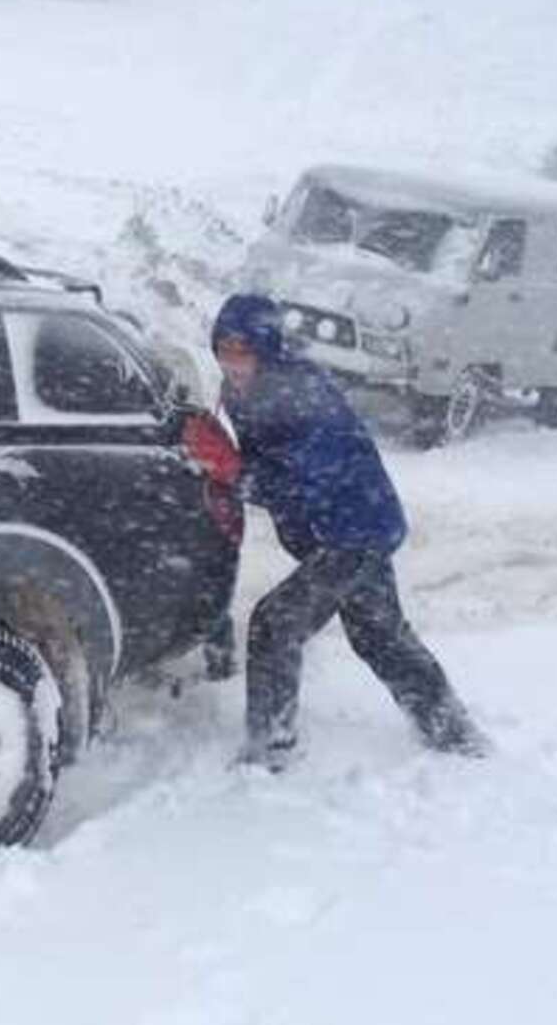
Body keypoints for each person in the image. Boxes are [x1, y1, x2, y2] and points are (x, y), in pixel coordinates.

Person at [211, 293, 487, 770]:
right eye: (224, 351)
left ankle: (269, 752)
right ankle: (452, 732)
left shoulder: (301, 393)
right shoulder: (245, 390)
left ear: (266, 347)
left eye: (242, 352)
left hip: (352, 531)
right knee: (379, 636)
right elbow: (263, 462)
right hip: (334, 533)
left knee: (275, 625)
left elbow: (302, 481)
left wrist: (233, 472)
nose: (232, 363)